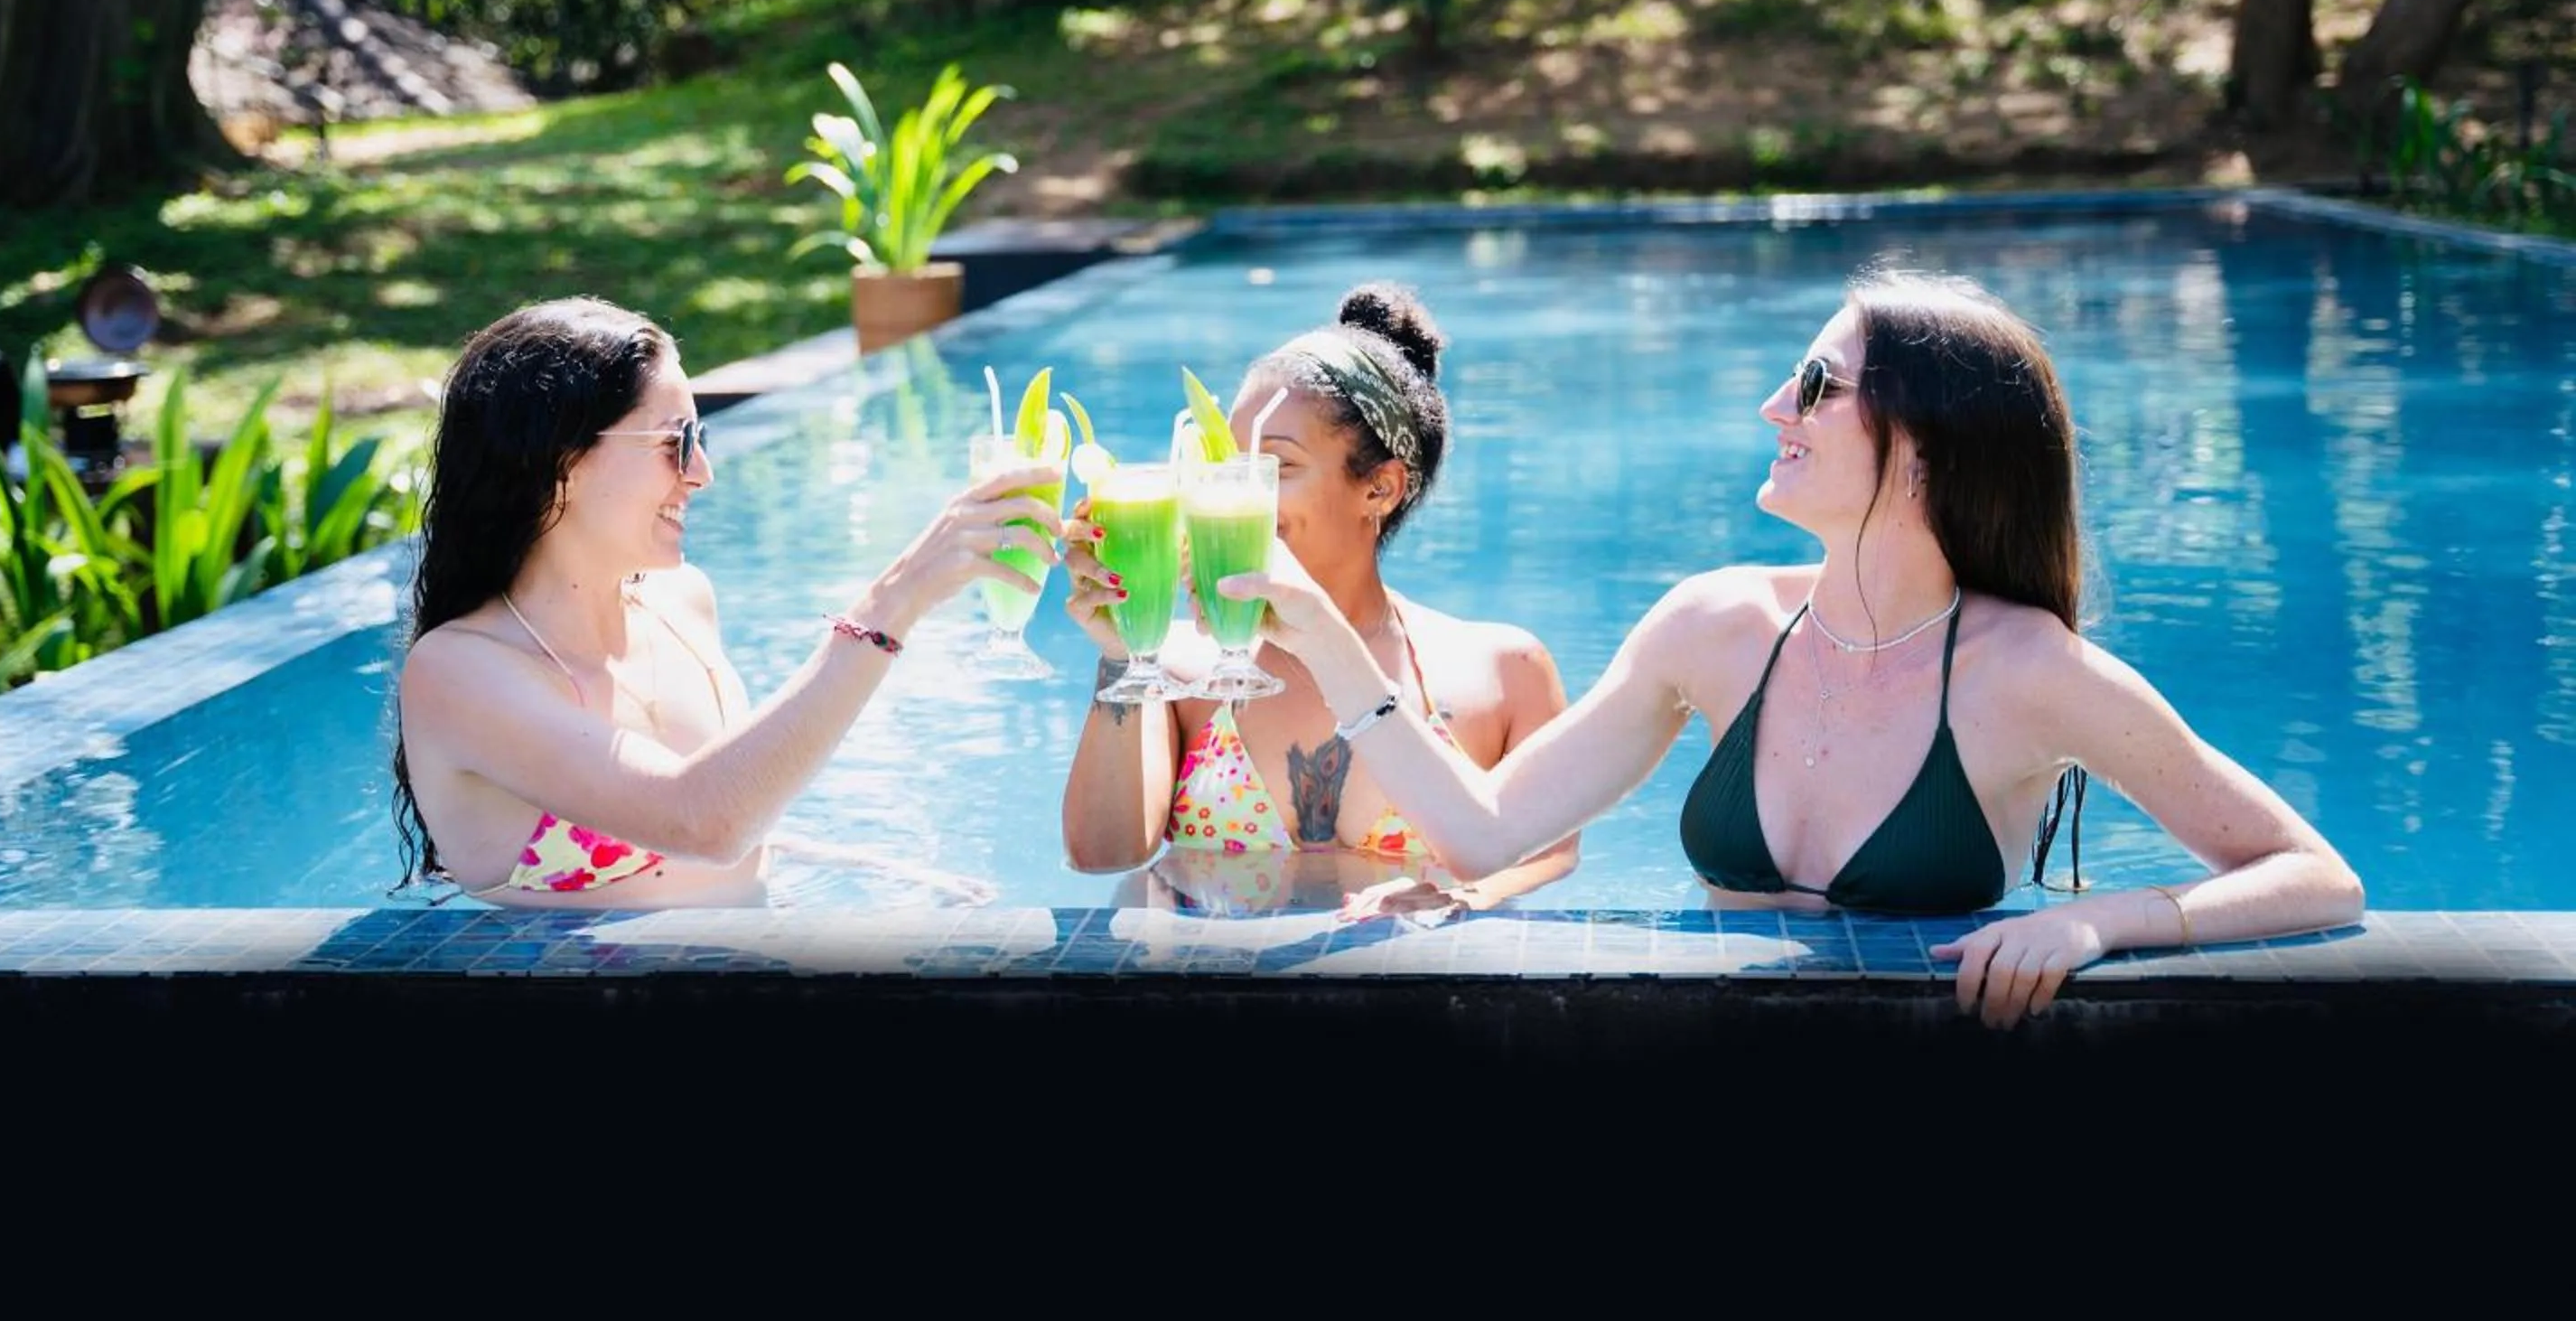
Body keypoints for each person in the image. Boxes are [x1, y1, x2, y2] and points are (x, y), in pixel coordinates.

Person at [1218, 268, 2366, 1022]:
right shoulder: (1714, 628)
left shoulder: (2028, 673)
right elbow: (1479, 836)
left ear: (1922, 446)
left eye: (1816, 385)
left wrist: (2094, 919)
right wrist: (1322, 636)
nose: (1776, 403)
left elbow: (2315, 878)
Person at [392, 296, 1063, 908]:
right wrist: (893, 602)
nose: (701, 474)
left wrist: (881, 871)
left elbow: (731, 836)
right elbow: (701, 824)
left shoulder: (681, 604)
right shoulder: (461, 673)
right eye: (673, 443)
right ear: (559, 461)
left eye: (700, 440)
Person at [1059, 283, 1579, 920]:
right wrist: (1122, 656)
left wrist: (1462, 897)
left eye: (1275, 468)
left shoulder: (1501, 669)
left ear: (1381, 488)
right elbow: (1103, 854)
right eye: (1228, 465)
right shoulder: (1176, 668)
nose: (1239, 496)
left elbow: (1549, 853)